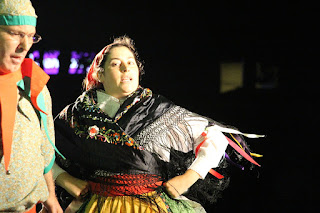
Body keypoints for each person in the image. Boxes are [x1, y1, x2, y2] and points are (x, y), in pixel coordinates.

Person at [53, 36, 263, 212]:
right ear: (100, 73)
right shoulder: (75, 115)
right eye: (116, 64)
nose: (126, 68)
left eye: (131, 62)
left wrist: (187, 179)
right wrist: (65, 180)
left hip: (151, 204)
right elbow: (40, 150)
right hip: (97, 204)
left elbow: (215, 136)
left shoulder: (157, 108)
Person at [0, 0, 63, 212]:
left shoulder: (35, 85)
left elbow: (44, 151)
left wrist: (51, 199)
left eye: (30, 37)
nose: (25, 46)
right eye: (15, 33)